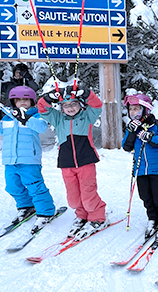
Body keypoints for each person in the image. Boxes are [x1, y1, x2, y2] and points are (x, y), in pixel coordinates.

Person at [37, 85, 106, 240]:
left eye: (73, 104)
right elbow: (41, 107)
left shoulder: (87, 116)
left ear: (80, 105)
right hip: (66, 163)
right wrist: (51, 96)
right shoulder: (58, 119)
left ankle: (97, 216)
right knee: (73, 198)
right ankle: (81, 215)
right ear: (61, 107)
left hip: (86, 161)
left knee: (88, 193)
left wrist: (86, 93)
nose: (70, 108)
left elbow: (97, 105)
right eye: (66, 105)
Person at [0, 86, 56, 232]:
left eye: (26, 99)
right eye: (18, 100)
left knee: (35, 186)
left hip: (29, 159)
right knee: (12, 186)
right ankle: (25, 206)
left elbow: (42, 128)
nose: (22, 102)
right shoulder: (7, 118)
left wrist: (25, 118)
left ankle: (46, 211)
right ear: (13, 102)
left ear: (32, 101)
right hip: (10, 160)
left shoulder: (36, 116)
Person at [121, 93, 158, 238]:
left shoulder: (157, 125)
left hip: (156, 168)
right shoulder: (132, 127)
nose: (133, 112)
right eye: (131, 109)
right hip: (140, 169)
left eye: (136, 109)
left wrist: (150, 137)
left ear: (145, 109)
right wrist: (131, 132)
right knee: (146, 196)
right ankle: (153, 218)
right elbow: (126, 146)